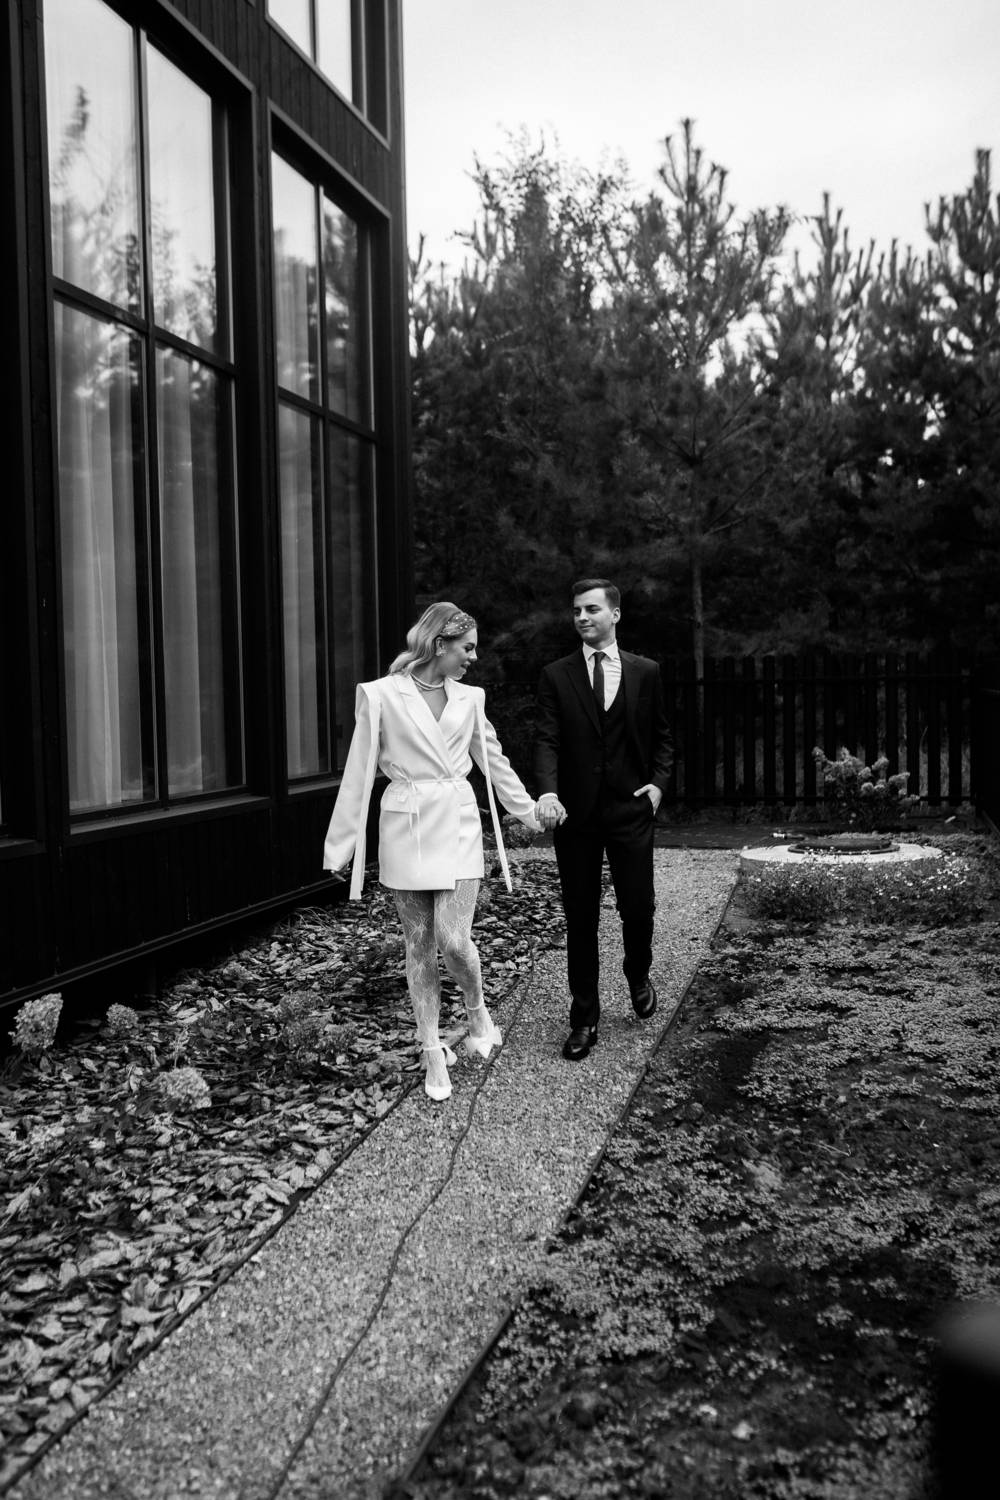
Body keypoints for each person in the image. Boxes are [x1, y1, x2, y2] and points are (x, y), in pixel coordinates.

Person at [323, 603, 543, 1101]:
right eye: (468, 647)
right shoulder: (380, 695)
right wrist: (340, 848)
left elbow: (495, 764)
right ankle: (430, 1047)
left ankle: (476, 1007)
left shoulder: (471, 699)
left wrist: (531, 814)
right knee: (419, 945)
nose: (474, 657)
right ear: (439, 644)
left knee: (454, 939)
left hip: (460, 825)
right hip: (406, 827)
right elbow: (358, 773)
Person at [534, 578, 673, 1061]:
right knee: (581, 917)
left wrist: (658, 784)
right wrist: (548, 791)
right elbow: (547, 739)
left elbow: (663, 737)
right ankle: (584, 1017)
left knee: (638, 907)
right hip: (576, 815)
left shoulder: (645, 672)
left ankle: (638, 972)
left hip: (631, 809)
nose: (581, 617)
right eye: (576, 610)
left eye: (591, 609)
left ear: (615, 614)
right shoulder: (556, 675)